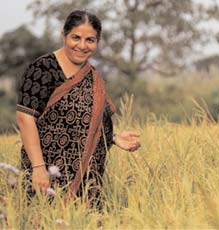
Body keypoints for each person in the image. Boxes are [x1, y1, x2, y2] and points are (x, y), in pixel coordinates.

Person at [16, 10, 141, 207]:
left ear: (97, 42)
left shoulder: (92, 76)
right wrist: (39, 168)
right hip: (47, 174)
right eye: (76, 37)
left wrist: (114, 138)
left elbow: (92, 123)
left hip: (88, 180)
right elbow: (25, 118)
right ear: (63, 35)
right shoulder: (43, 69)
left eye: (90, 40)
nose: (82, 46)